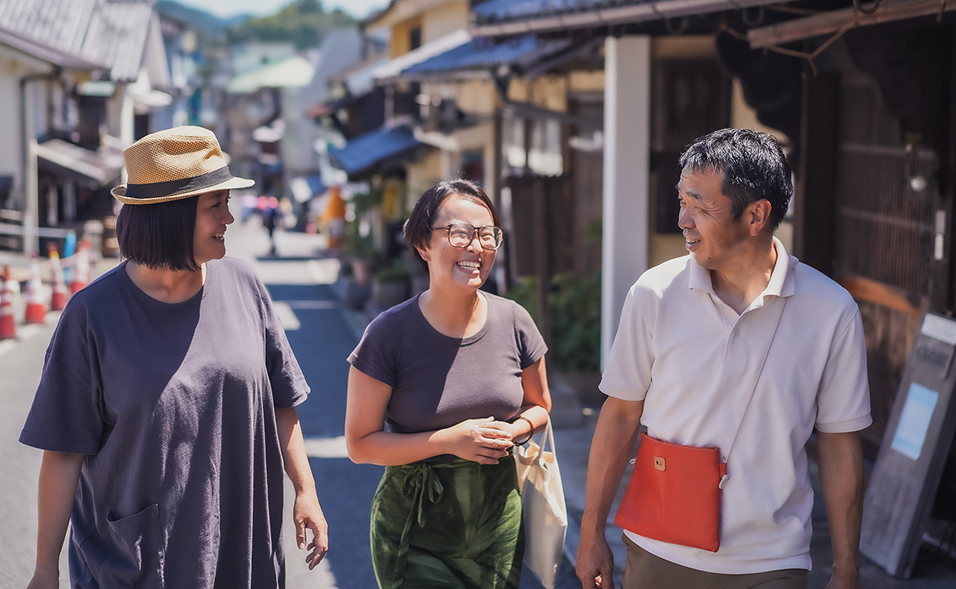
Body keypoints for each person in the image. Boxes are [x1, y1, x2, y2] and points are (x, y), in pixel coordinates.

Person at [20, 126, 328, 589]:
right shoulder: (91, 315)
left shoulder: (245, 286)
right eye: (214, 205)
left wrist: (306, 490)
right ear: (169, 217)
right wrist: (45, 569)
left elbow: (281, 402)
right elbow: (63, 453)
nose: (229, 217)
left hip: (243, 555)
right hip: (138, 563)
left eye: (228, 201)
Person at [577, 128, 870, 589]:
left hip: (772, 562)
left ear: (756, 215)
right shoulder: (653, 293)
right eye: (681, 201)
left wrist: (847, 567)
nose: (683, 219)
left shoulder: (832, 310)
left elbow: (839, 443)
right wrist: (591, 532)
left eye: (699, 204)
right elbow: (619, 415)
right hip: (660, 548)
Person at [345, 179, 552, 588]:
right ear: (424, 244)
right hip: (413, 524)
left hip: (497, 519)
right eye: (459, 233)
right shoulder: (388, 333)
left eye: (487, 235)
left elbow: (540, 405)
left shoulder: (515, 321)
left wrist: (513, 430)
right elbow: (360, 444)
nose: (475, 247)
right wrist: (449, 440)